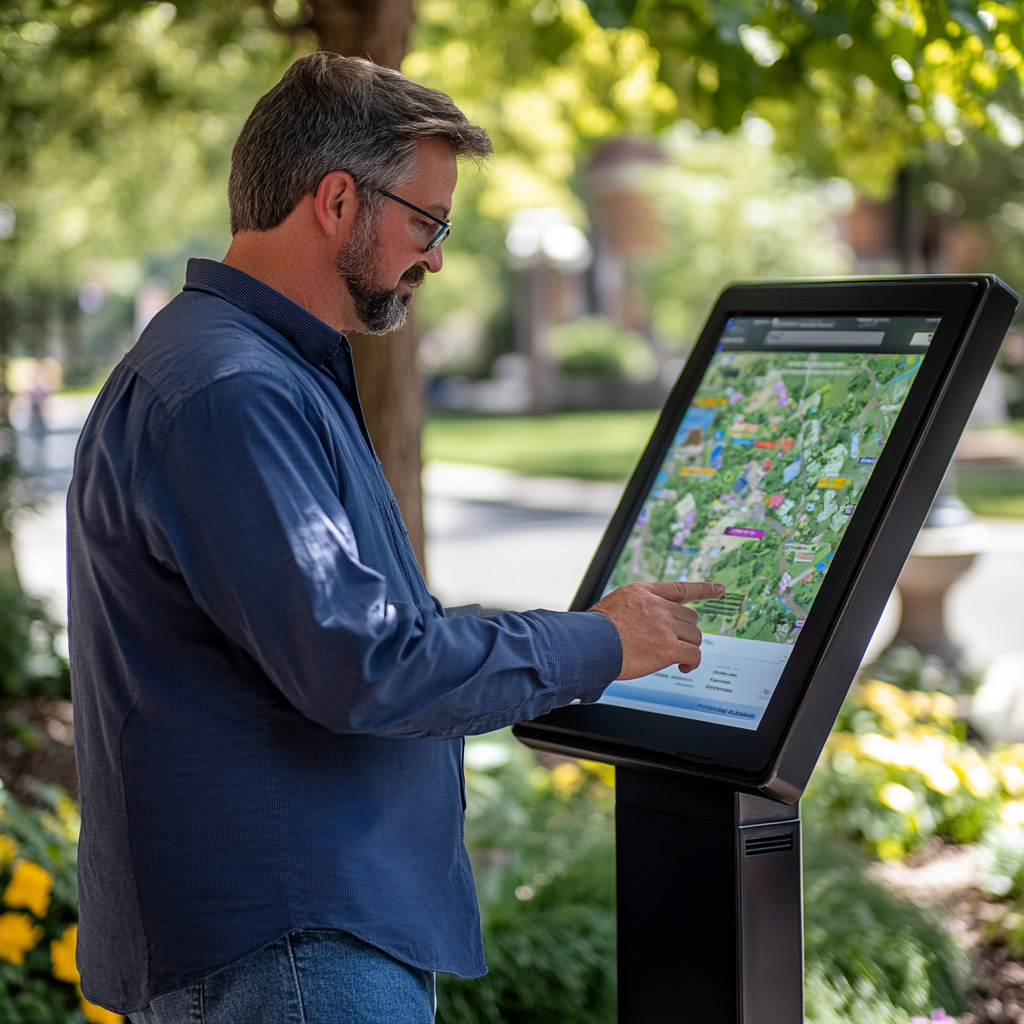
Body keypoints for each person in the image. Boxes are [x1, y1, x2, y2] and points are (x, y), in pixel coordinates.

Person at [67, 52, 722, 1024]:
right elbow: (360, 659)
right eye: (427, 220)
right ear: (337, 198)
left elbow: (348, 628)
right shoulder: (236, 392)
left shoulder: (235, 369)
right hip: (296, 950)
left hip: (289, 941)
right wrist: (599, 642)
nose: (437, 256)